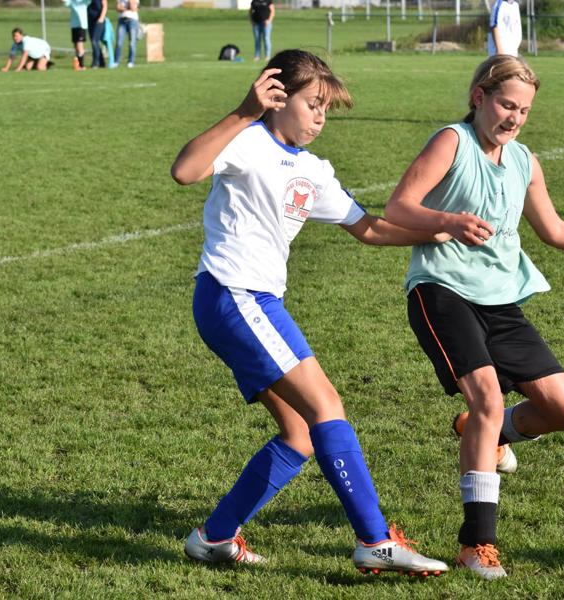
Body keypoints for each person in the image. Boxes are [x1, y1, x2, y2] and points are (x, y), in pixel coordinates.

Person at [383, 55, 564, 580]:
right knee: (488, 398)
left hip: (500, 300)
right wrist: (446, 219)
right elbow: (398, 208)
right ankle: (477, 544)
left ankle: (483, 433)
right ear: (479, 97)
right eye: (505, 104)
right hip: (442, 291)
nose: (514, 118)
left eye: (523, 110)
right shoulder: (451, 141)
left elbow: (554, 230)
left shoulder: (524, 161)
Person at [170, 49, 450, 576]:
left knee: (300, 432)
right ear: (275, 96)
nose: (320, 117)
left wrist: (439, 230)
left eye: (327, 108)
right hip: (235, 295)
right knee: (326, 405)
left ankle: (214, 537)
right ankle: (375, 540)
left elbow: (369, 228)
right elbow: (184, 171)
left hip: (251, 302)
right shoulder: (247, 140)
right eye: (313, 104)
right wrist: (242, 110)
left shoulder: (314, 169)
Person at [65, 0, 91, 70]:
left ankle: (82, 66)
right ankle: (78, 65)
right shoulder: (71, 1)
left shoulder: (84, 2)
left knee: (80, 47)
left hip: (81, 25)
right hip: (74, 26)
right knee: (76, 47)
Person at [114, 0, 139, 68]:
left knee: (132, 43)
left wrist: (125, 7)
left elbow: (133, 7)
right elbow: (117, 8)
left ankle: (131, 61)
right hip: (122, 20)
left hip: (132, 20)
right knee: (119, 42)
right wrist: (125, 8)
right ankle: (116, 61)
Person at [88, 0, 107, 67]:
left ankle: (95, 62)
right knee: (93, 41)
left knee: (94, 41)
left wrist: (101, 17)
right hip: (90, 20)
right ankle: (102, 62)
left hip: (99, 20)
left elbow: (105, 6)